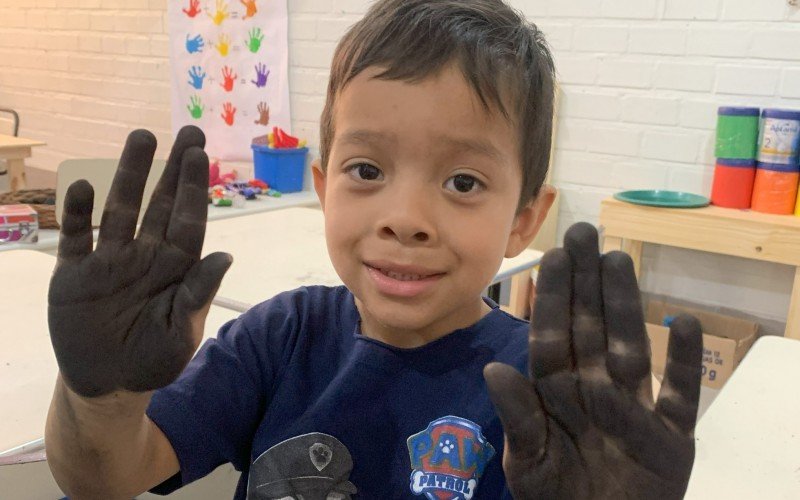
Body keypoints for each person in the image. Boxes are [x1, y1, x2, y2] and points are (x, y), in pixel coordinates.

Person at [44, 0, 703, 498]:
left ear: (525, 219)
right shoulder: (280, 340)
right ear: (325, 188)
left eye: (463, 181)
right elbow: (104, 478)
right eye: (368, 170)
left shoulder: (548, 396)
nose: (406, 219)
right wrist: (101, 396)